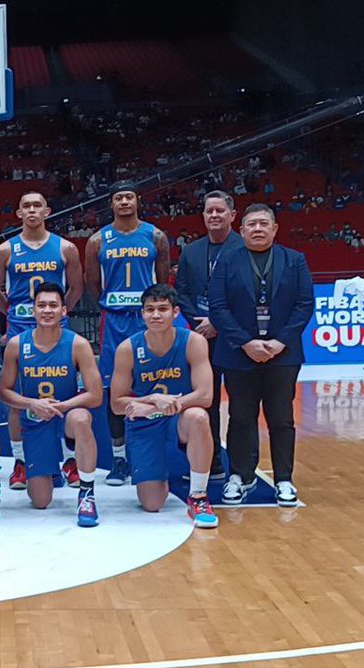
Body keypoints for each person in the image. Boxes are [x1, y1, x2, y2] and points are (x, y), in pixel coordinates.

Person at [209, 203, 313, 507]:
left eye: (263, 223)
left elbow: (304, 305)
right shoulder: (227, 261)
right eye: (251, 224)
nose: (257, 228)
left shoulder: (295, 260)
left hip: (283, 354)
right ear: (241, 230)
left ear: (274, 228)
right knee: (241, 417)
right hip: (239, 354)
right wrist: (246, 343)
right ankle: (240, 477)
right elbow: (218, 307)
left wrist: (280, 341)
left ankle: (284, 480)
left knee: (281, 418)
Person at [0, 191, 84, 490]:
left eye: (36, 205)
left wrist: (56, 314)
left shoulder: (65, 248)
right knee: (16, 400)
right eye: (25, 205)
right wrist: (13, 315)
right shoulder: (4, 250)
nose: (31, 210)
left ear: (47, 211)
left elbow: (76, 289)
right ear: (18, 213)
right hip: (19, 332)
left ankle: (70, 460)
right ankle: (19, 462)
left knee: (64, 394)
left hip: (58, 333)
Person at [83, 182, 170, 486]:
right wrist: (113, 304)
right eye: (118, 198)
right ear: (111, 204)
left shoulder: (156, 236)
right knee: (114, 389)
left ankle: (151, 451)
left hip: (148, 320)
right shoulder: (97, 240)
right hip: (115, 321)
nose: (123, 202)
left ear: (137, 201)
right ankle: (119, 459)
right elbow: (92, 285)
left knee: (151, 382)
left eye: (128, 197)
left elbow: (163, 278)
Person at [109, 284, 218, 528]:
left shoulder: (194, 341)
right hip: (144, 424)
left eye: (162, 309)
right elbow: (116, 404)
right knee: (152, 503)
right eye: (149, 310)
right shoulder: (127, 348)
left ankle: (198, 496)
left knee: (199, 416)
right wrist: (152, 400)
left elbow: (205, 395)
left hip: (178, 419)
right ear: (142, 314)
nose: (156, 315)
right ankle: (157, 472)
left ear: (175, 312)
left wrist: (160, 405)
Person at [0, 283, 102, 526]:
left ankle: (86, 493)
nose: (47, 310)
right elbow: (3, 392)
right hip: (35, 420)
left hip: (66, 416)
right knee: (41, 500)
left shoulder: (78, 344)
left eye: (53, 305)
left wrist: (61, 407)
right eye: (41, 305)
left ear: (64, 311)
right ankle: (47, 470)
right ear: (32, 311)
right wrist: (32, 403)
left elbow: (95, 395)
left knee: (81, 418)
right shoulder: (16, 344)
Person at [173, 190, 243, 479]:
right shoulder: (191, 251)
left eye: (219, 211)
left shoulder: (245, 248)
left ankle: (240, 470)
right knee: (206, 401)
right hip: (202, 338)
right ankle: (209, 463)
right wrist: (200, 322)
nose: (214, 215)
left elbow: (246, 294)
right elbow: (183, 292)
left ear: (232, 215)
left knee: (240, 406)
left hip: (238, 340)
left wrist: (218, 322)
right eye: (209, 211)